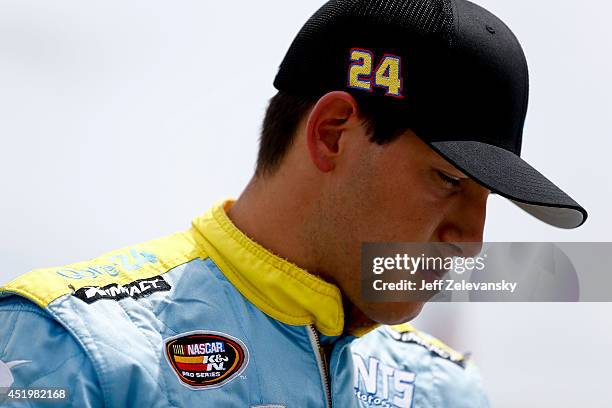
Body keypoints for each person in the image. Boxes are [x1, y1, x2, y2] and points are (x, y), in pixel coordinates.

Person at [0, 0, 587, 406]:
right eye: (447, 180)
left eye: (488, 198)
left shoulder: (444, 390)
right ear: (332, 132)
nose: (472, 238)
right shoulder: (68, 346)